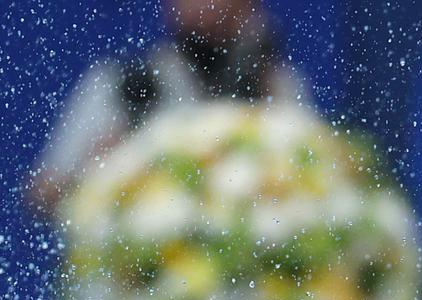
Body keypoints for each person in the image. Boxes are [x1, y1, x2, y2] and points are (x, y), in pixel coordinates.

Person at [29, 0, 305, 219]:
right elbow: (43, 196)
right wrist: (99, 169)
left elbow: (316, 186)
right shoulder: (122, 85)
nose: (206, 7)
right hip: (134, 277)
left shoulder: (277, 87)